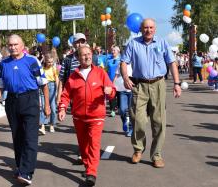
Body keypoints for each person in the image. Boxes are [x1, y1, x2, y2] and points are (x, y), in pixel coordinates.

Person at [120, 18, 181, 168]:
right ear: (141, 29)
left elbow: (171, 63)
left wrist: (177, 83)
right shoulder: (133, 44)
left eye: (151, 27)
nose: (148, 30)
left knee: (158, 121)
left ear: (155, 29)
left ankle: (156, 155)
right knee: (137, 119)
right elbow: (123, 61)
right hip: (139, 85)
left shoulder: (162, 43)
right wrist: (125, 77)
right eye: (145, 27)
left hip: (158, 84)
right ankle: (138, 149)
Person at [0, 34, 50, 185]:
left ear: (22, 45)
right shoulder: (3, 64)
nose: (13, 47)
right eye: (10, 45)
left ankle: (26, 172)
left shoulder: (32, 61)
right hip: (12, 101)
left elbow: (43, 84)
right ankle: (20, 167)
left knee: (30, 137)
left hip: (30, 100)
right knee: (17, 137)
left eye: (16, 44)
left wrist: (47, 105)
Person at [58, 45, 116, 186]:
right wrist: (62, 108)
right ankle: (87, 165)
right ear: (78, 58)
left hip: (96, 116)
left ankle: (91, 172)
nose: (87, 56)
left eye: (89, 54)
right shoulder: (73, 77)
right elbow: (66, 95)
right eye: (83, 54)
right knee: (83, 145)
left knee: (94, 144)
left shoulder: (100, 73)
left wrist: (110, 91)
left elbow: (112, 91)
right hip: (79, 117)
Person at [57, 33, 87, 104]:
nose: (80, 44)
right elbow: (61, 79)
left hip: (88, 94)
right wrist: (59, 97)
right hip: (74, 96)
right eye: (77, 42)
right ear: (73, 44)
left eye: (82, 42)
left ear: (85, 43)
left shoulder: (90, 58)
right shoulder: (67, 59)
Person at [39, 53, 59, 134]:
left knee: (53, 108)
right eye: (49, 62)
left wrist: (57, 91)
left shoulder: (54, 68)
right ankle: (43, 126)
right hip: (43, 87)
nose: (50, 63)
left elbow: (57, 79)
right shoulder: (42, 69)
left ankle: (51, 124)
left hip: (52, 86)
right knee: (43, 107)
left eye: (51, 62)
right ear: (45, 62)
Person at [107, 46, 121, 117]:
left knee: (118, 96)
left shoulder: (121, 60)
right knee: (111, 96)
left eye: (114, 50)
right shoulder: (109, 60)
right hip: (109, 80)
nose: (113, 52)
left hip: (118, 81)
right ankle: (112, 110)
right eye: (112, 50)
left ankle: (117, 107)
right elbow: (106, 69)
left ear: (118, 52)